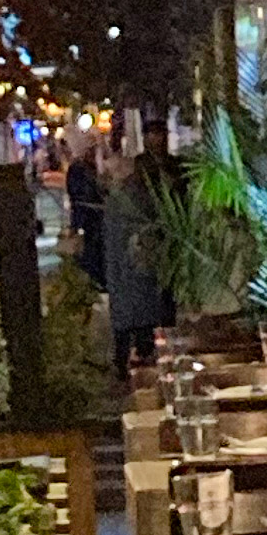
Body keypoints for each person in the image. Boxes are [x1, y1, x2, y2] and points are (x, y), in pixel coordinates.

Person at [100, 148, 168, 373]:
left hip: (124, 269)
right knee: (142, 321)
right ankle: (141, 362)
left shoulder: (121, 198)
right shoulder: (141, 196)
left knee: (126, 321)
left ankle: (124, 364)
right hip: (138, 269)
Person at [63, 141, 105, 287]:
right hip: (90, 220)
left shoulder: (86, 168)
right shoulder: (80, 170)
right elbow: (79, 199)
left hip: (91, 219)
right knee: (91, 251)